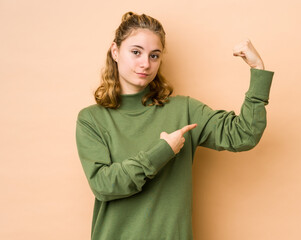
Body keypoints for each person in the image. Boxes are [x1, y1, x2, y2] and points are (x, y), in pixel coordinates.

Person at [75, 11, 274, 240]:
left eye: (154, 56)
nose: (145, 63)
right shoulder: (92, 119)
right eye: (136, 52)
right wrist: (162, 151)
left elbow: (244, 134)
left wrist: (258, 70)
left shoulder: (184, 110)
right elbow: (104, 185)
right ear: (115, 52)